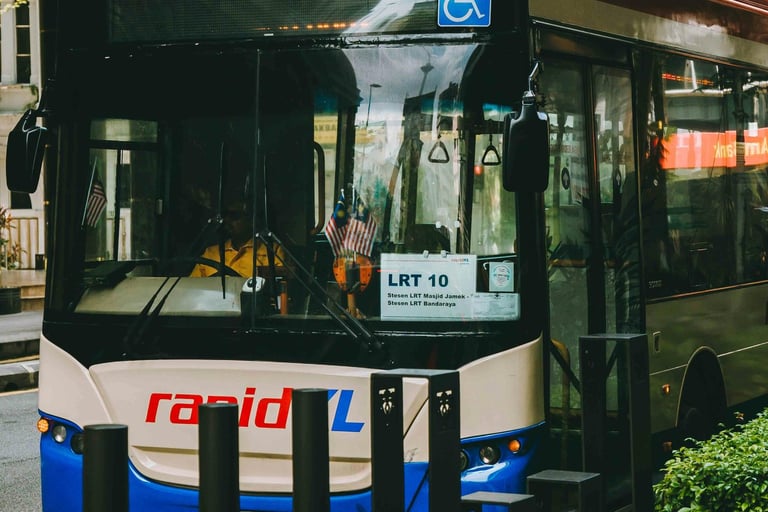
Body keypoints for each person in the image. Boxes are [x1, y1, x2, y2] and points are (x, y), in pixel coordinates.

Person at [189, 200, 285, 277]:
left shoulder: (272, 251)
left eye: (234, 216)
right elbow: (192, 287)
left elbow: (281, 288)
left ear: (251, 220)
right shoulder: (210, 253)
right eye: (225, 215)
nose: (227, 220)